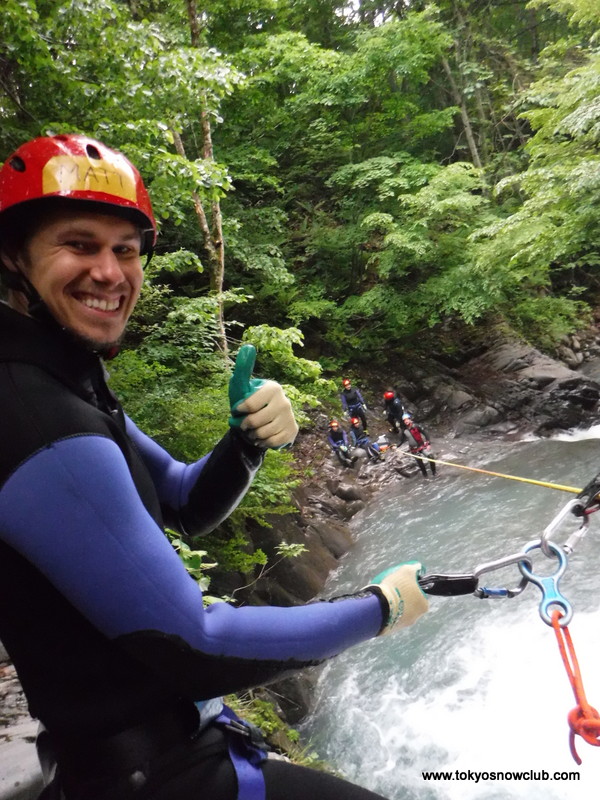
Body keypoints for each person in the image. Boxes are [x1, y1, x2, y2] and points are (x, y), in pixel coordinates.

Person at [0, 134, 429, 800]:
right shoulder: (33, 413)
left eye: (125, 250)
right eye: (79, 245)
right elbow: (195, 644)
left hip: (157, 755)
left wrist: (246, 441)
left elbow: (183, 500)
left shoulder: (64, 383)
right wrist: (381, 607)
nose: (110, 273)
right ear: (13, 256)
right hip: (154, 777)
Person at [402, 413, 436, 478]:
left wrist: (428, 443)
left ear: (410, 419)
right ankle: (425, 475)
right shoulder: (404, 430)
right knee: (420, 463)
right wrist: (394, 446)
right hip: (414, 449)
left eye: (407, 419)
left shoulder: (416, 426)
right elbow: (401, 440)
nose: (406, 421)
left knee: (431, 457)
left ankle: (434, 473)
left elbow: (426, 434)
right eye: (404, 420)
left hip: (421, 446)